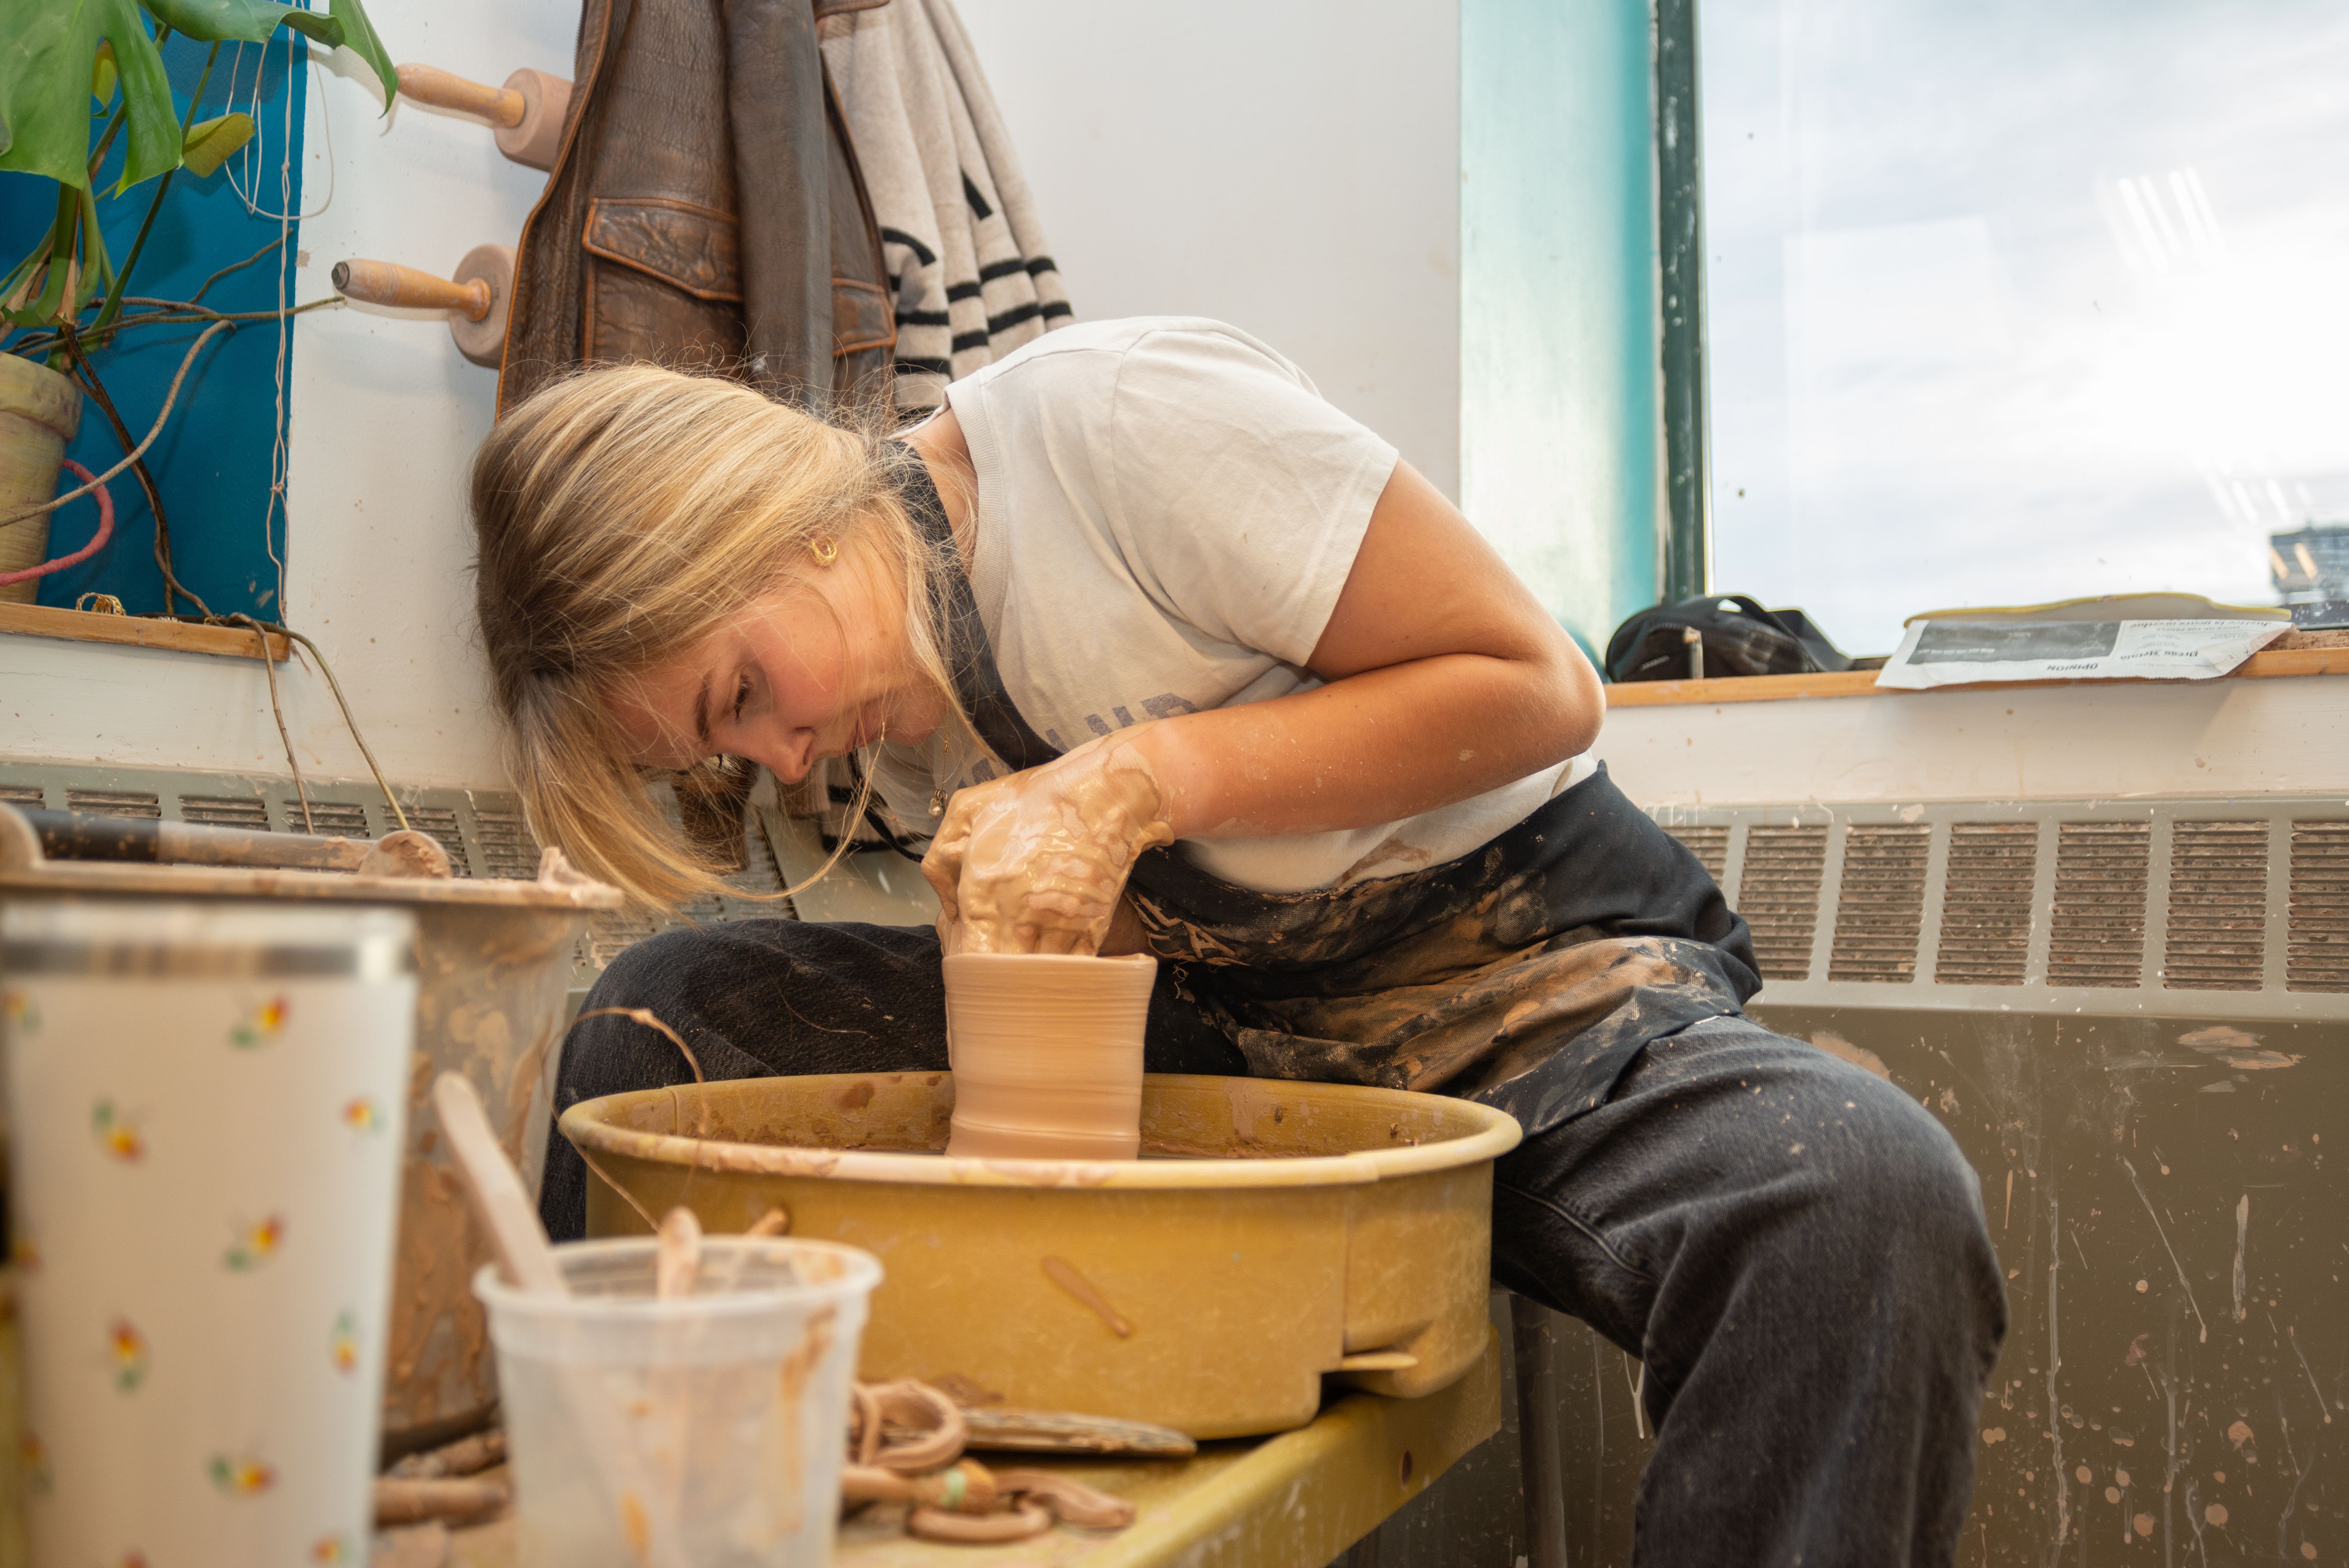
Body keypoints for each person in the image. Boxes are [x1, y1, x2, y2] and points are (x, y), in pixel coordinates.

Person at [469, 317, 2004, 1566]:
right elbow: (1190, 909)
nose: (786, 760)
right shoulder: (902, 671)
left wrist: (1133, 781)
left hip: (1529, 1002)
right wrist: (1043, 937)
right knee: (665, 1008)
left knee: (1858, 1188)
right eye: (727, 753)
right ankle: (599, 1523)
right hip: (1235, 1035)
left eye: (743, 694)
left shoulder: (1112, 428)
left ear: (770, 523)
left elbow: (1534, 682)